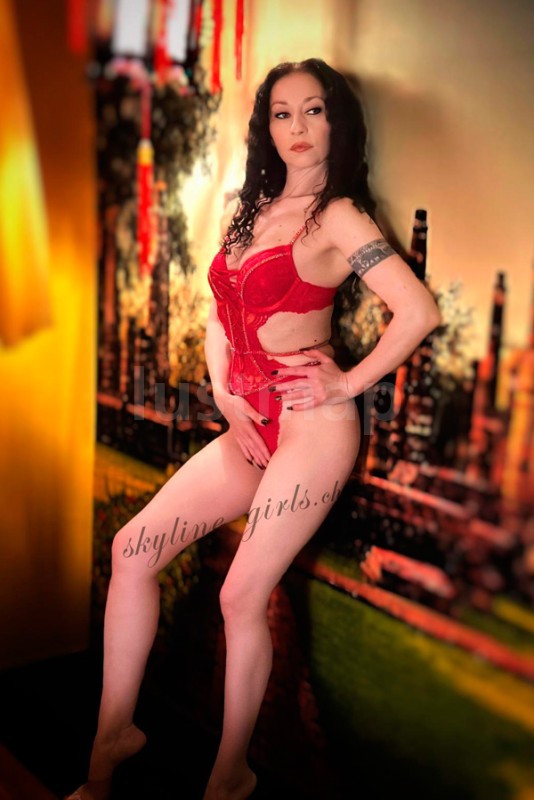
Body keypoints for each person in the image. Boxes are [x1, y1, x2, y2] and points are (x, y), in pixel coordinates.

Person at [66, 58, 441, 800]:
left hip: (313, 428)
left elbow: (418, 311)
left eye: (313, 110)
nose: (297, 128)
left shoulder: (337, 216)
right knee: (131, 551)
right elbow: (218, 313)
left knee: (241, 595)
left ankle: (230, 774)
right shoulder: (252, 208)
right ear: (266, 127)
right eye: (281, 113)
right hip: (249, 419)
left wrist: (345, 383)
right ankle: (111, 740)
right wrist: (222, 392)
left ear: (337, 121)